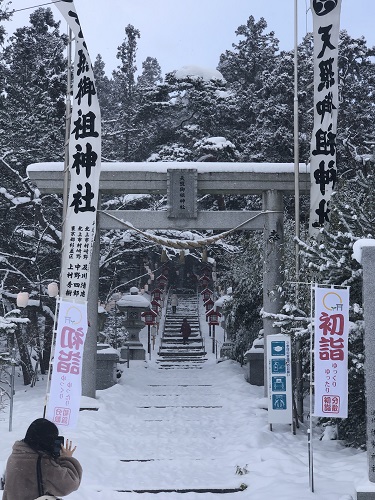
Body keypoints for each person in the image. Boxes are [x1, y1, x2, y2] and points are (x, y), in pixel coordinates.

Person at [2, 418, 82, 500]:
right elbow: (71, 483)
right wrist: (67, 458)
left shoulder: (16, 454)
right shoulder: (42, 463)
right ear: (48, 441)